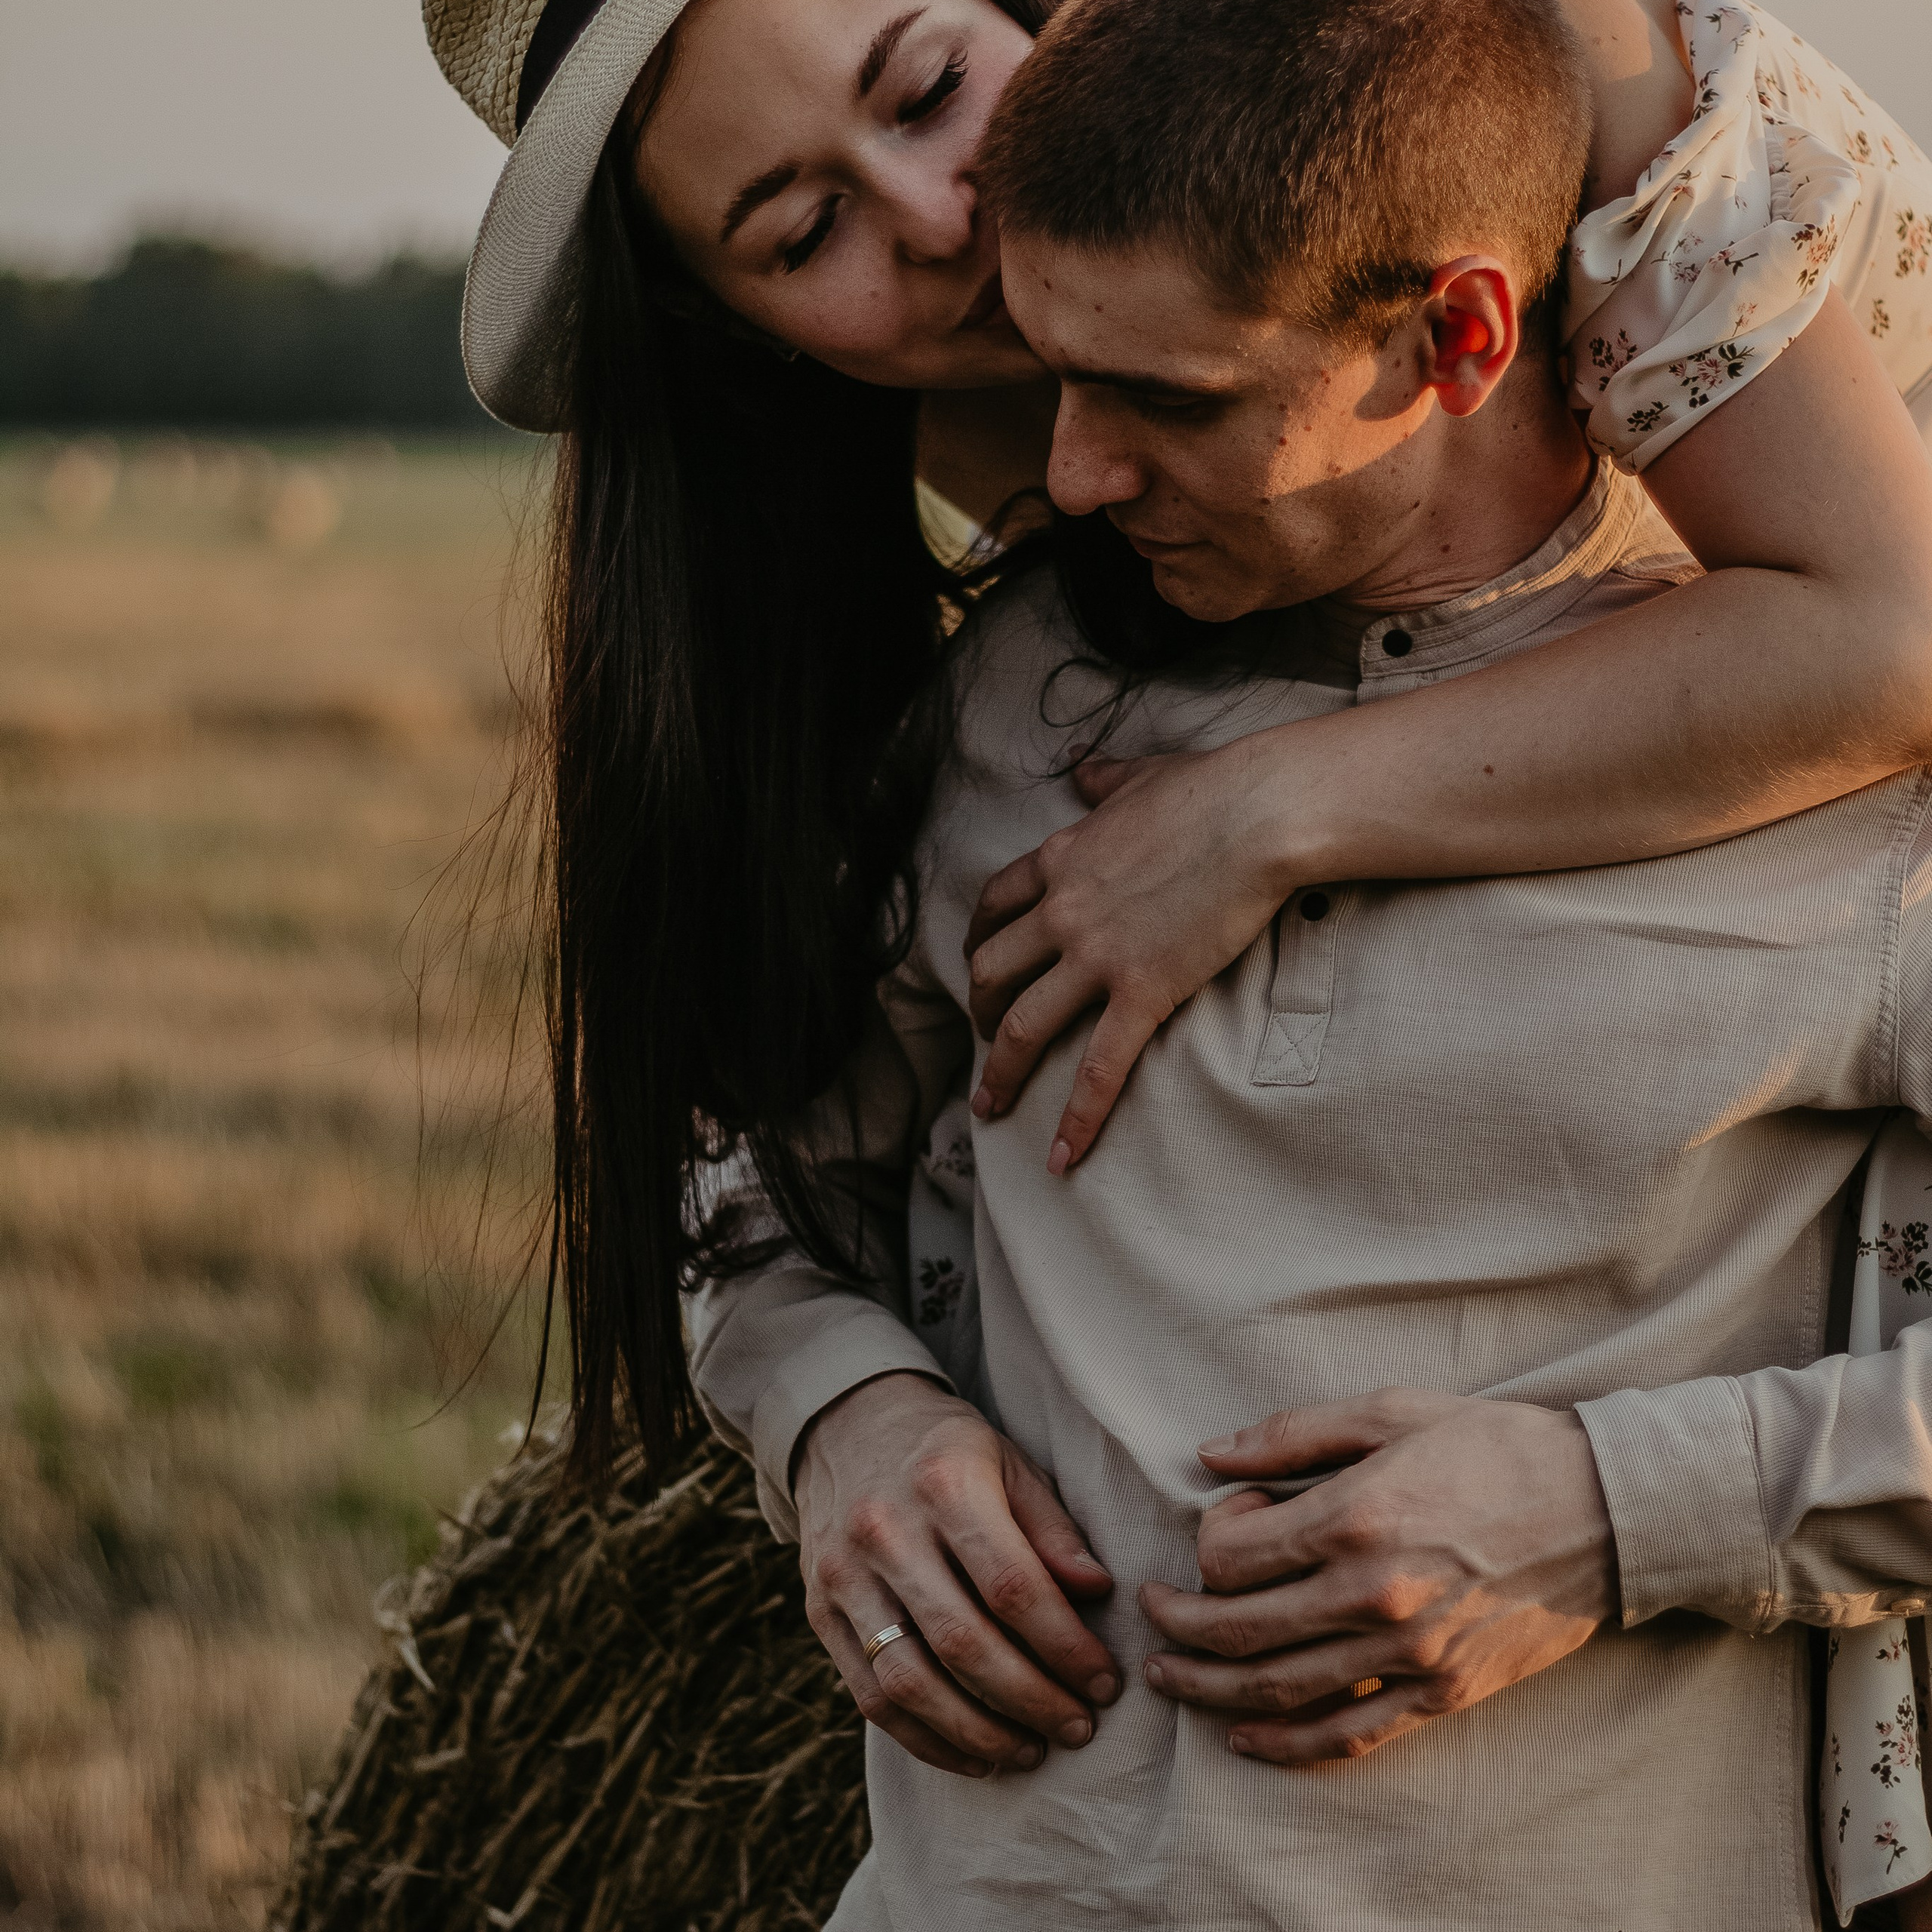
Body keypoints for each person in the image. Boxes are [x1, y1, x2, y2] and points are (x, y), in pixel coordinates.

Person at [687, 0, 1932, 1922]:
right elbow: (741, 1184)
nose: (1068, 475)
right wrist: (842, 1409)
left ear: (1454, 339)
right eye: (1054, 374)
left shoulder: (1824, 785)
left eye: (1164, 402)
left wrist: (1612, 1510)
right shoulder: (1010, 709)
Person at [420, 0, 1932, 1514]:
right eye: (809, 235)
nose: (943, 216)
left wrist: (1258, 814)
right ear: (724, 325)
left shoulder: (1535, 60)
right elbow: (767, 1106)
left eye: (934, 84)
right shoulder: (1032, 449)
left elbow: (1889, 639)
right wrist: (842, 1408)